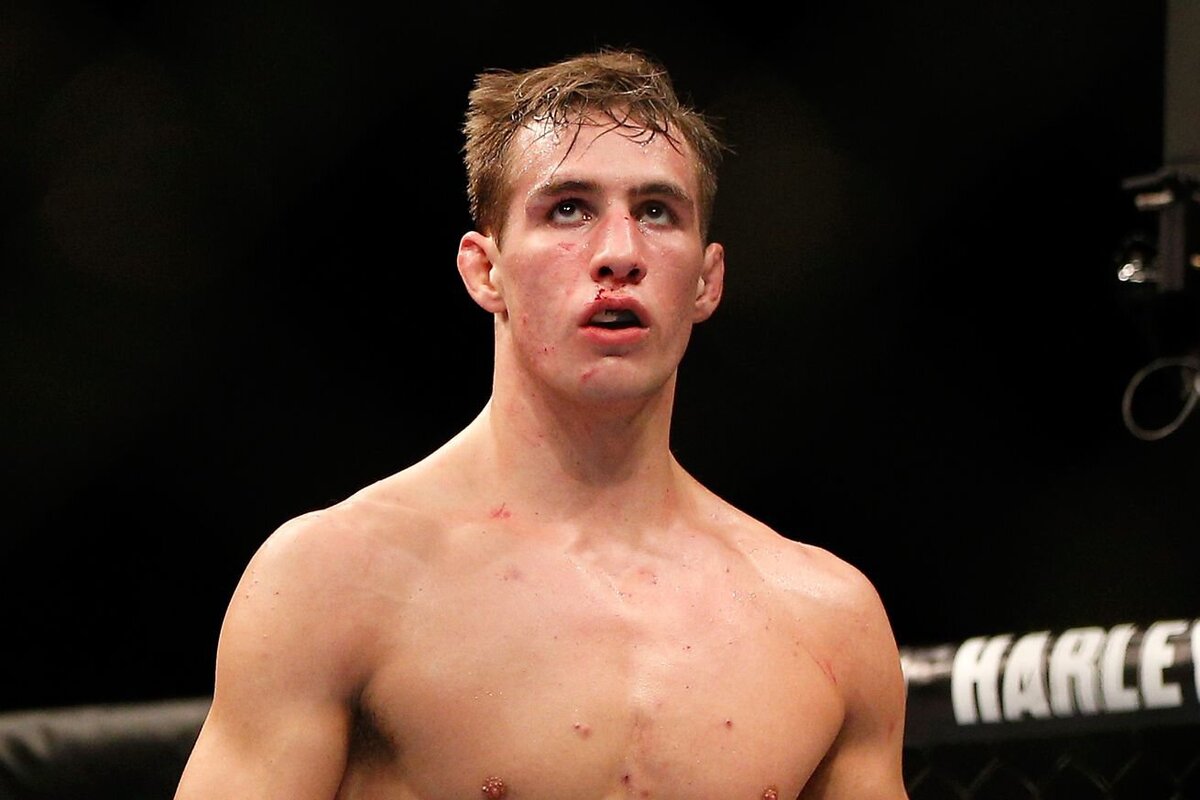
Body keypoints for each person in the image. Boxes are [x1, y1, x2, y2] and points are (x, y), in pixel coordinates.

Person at [174, 47, 909, 799]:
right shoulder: (336, 581)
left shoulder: (827, 621)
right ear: (484, 270)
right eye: (568, 209)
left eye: (657, 212)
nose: (619, 254)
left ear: (706, 280)